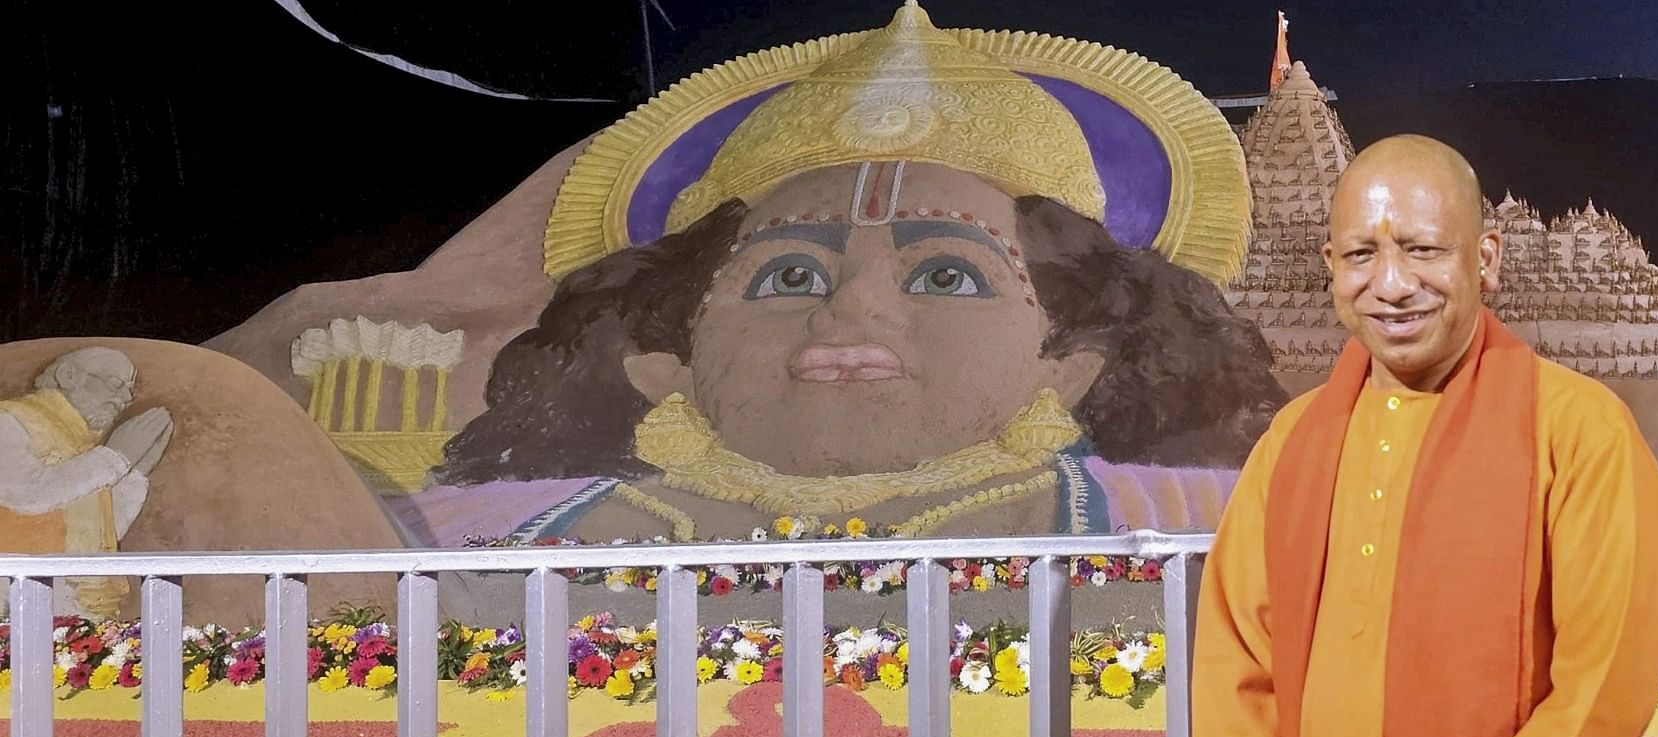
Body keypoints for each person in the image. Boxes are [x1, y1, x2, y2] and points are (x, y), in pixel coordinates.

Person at [416, 1, 1281, 544]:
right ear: (665, 358)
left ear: (1068, 365)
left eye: (945, 276)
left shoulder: (1197, 528)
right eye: (788, 275)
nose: (849, 310)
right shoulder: (467, 540)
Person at [1192, 134, 1658, 737]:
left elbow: (1602, 688)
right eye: (1363, 256)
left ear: (1484, 258)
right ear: (1330, 268)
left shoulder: (1577, 432)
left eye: (1423, 250)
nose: (1393, 284)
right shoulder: (1290, 445)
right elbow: (1232, 661)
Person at [0, 346, 172, 617]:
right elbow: (26, 494)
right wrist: (115, 457)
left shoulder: (81, 442)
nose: (126, 398)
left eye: (129, 389)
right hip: (17, 590)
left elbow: (100, 531)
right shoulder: (10, 420)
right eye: (115, 384)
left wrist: (135, 476)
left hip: (77, 600)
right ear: (69, 376)